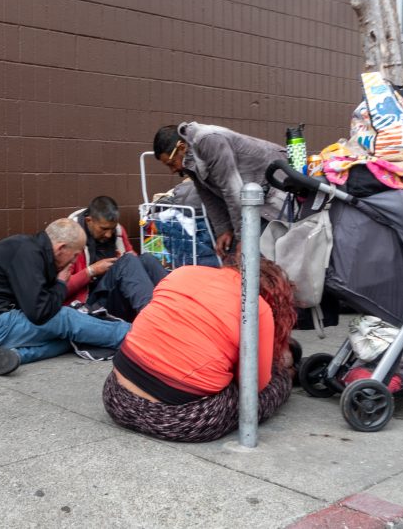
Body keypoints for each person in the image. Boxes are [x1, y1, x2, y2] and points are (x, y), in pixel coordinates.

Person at [101, 258, 297, 443]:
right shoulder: (256, 307)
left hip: (117, 396)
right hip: (182, 419)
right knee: (276, 383)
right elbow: (253, 386)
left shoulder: (182, 273)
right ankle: (288, 373)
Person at [0, 219, 131, 375]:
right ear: (61, 248)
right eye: (74, 256)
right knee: (64, 318)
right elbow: (40, 313)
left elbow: (40, 305)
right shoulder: (27, 253)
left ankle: (12, 356)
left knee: (70, 340)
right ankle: (135, 336)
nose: (74, 262)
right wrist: (60, 284)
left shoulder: (31, 253)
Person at [153, 123, 288, 257]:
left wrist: (243, 239)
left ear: (181, 147)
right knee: (234, 257)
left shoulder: (209, 141)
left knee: (263, 257)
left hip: (278, 188)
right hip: (251, 201)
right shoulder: (187, 157)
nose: (172, 170)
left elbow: (232, 190)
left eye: (171, 163)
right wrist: (223, 230)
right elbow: (207, 195)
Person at [65, 196, 167, 321]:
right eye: (103, 229)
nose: (108, 234)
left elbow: (133, 261)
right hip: (88, 306)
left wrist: (122, 262)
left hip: (114, 295)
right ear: (88, 220)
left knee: (147, 259)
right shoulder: (70, 238)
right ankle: (154, 320)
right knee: (127, 262)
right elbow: (60, 289)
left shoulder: (118, 231)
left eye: (111, 229)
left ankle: (175, 308)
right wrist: (91, 271)